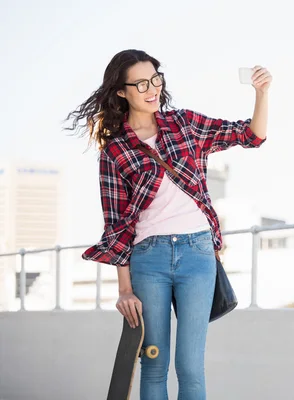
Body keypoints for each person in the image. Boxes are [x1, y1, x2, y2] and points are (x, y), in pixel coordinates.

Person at [65, 49, 270, 399]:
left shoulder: (185, 124)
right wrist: (124, 290)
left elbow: (250, 136)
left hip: (197, 253)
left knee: (190, 367)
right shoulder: (114, 151)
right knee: (153, 362)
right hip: (149, 258)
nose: (152, 88)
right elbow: (116, 227)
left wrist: (262, 93)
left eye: (156, 78)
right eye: (141, 82)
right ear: (121, 91)